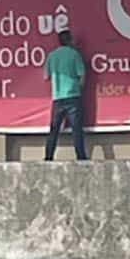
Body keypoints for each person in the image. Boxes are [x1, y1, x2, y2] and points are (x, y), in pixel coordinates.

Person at [44, 28, 88, 161]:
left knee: (54, 130)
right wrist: (77, 87)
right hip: (73, 96)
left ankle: (48, 157)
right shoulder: (74, 54)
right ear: (70, 41)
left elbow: (46, 76)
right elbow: (82, 76)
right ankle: (81, 157)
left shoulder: (52, 56)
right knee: (76, 129)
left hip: (58, 97)